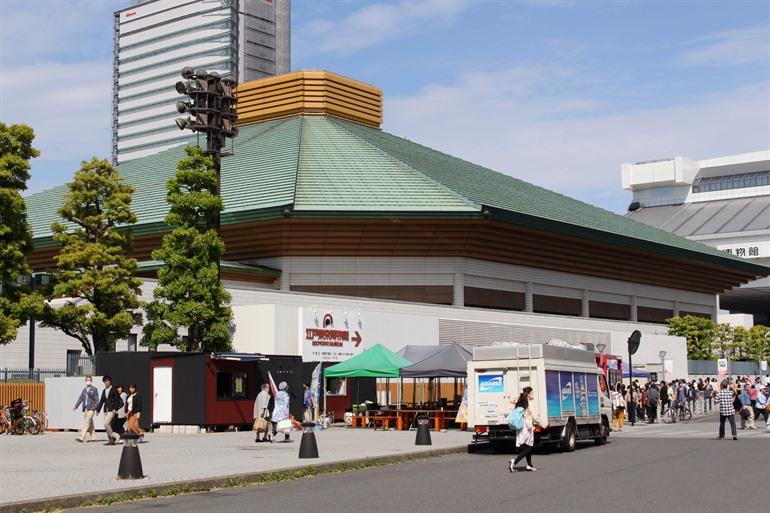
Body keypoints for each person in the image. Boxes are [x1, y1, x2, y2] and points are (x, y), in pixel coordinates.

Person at [509, 387, 540, 472]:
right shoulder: (529, 403)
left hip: (521, 427)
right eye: (532, 393)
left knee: (527, 446)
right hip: (527, 428)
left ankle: (530, 465)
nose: (533, 395)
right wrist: (541, 423)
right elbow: (534, 416)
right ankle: (514, 462)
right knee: (529, 447)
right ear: (529, 394)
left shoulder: (521, 402)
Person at [97, 375, 123, 445]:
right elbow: (101, 401)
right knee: (107, 425)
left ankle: (112, 437)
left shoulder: (113, 389)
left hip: (112, 410)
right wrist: (98, 410)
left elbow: (117, 400)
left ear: (110, 381)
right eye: (105, 381)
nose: (106, 382)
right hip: (105, 410)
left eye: (107, 381)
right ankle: (111, 440)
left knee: (106, 423)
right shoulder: (104, 390)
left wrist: (115, 408)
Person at [73, 376, 100, 443]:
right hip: (85, 409)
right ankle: (94, 437)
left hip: (91, 408)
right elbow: (80, 398)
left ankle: (81, 437)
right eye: (87, 380)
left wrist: (95, 408)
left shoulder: (94, 389)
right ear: (85, 381)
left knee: (86, 422)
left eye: (90, 380)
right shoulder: (84, 390)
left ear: (91, 381)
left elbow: (97, 399)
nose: (88, 381)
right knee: (90, 423)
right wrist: (76, 406)